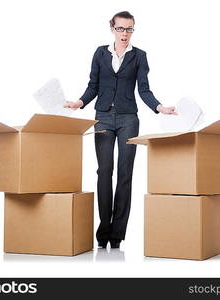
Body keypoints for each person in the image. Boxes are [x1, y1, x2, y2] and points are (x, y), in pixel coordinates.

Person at [64, 11, 176, 249]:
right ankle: (103, 231)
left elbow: (144, 89)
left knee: (125, 174)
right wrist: (79, 103)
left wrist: (159, 107)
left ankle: (117, 236)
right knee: (104, 172)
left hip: (128, 119)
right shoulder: (100, 53)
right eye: (121, 29)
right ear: (112, 29)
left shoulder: (140, 56)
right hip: (103, 117)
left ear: (133, 30)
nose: (125, 34)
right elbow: (92, 85)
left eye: (129, 29)